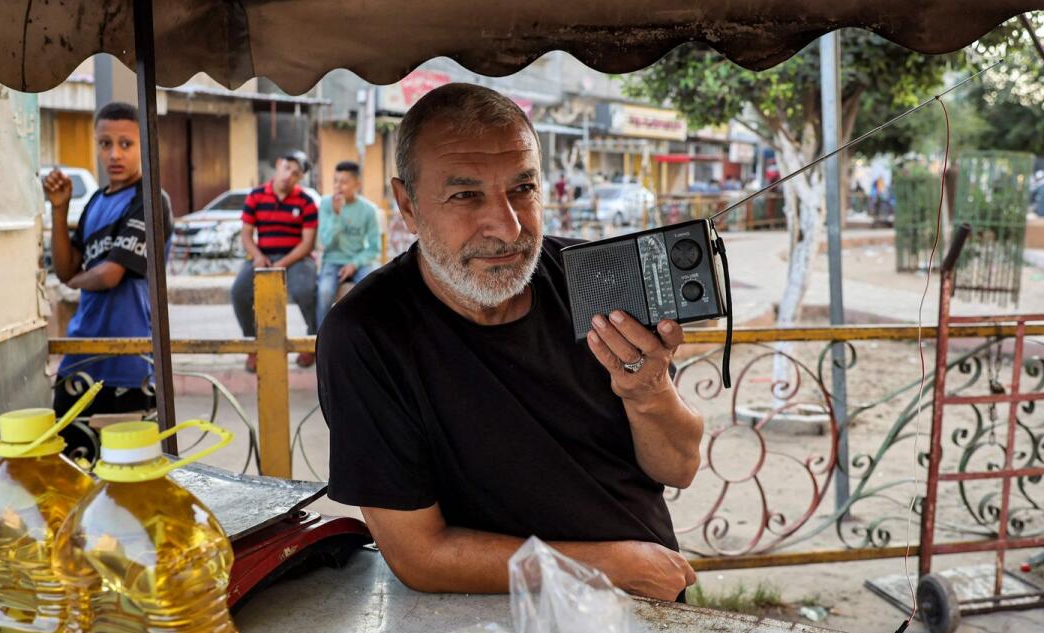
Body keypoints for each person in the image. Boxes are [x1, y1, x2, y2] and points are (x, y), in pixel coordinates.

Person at [317, 83, 702, 602]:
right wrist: (607, 568)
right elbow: (418, 555)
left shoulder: (593, 281)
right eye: (465, 195)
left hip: (653, 604)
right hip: (490, 629)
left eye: (523, 188)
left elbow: (678, 467)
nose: (508, 225)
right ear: (407, 204)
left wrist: (648, 390)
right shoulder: (369, 332)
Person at [43, 101, 171, 459]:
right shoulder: (97, 201)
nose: (114, 153)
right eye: (105, 143)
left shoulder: (151, 200)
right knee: (73, 466)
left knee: (126, 475)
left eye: (126, 144)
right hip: (82, 353)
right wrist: (59, 208)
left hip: (130, 359)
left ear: (145, 145)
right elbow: (67, 269)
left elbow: (110, 275)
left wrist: (78, 279)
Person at [231, 151, 319, 371]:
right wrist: (258, 256)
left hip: (296, 258)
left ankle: (311, 342)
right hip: (263, 256)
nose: (289, 175)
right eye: (287, 168)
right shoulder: (256, 196)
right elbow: (246, 235)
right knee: (239, 291)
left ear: (300, 178)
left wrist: (283, 264)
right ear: (279, 164)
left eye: (296, 173)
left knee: (306, 291)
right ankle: (254, 345)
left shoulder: (306, 202)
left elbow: (307, 244)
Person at [316, 161, 382, 327]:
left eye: (344, 182)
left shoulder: (368, 210)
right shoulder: (326, 204)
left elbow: (374, 248)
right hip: (332, 260)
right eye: (335, 181)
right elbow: (325, 242)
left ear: (357, 184)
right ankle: (320, 338)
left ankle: (369, 335)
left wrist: (354, 264)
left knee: (376, 289)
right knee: (324, 292)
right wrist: (336, 215)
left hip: (358, 261)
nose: (338, 186)